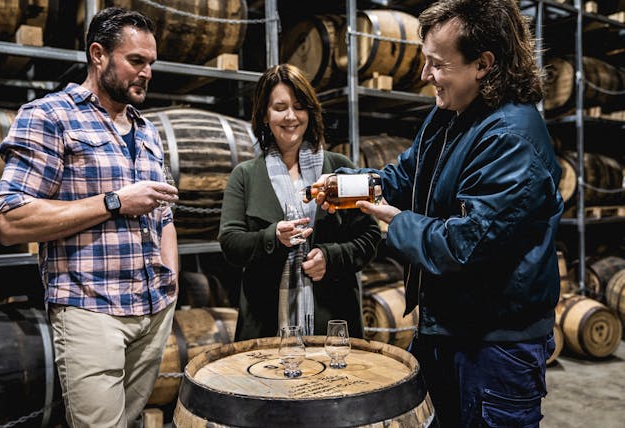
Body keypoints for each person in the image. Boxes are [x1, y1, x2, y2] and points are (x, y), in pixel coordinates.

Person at [312, 0, 563, 426]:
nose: (426, 75)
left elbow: (466, 243)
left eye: (437, 64)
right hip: (446, 328)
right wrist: (351, 187)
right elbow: (405, 174)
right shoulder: (449, 116)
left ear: (483, 64)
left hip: (495, 347)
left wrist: (395, 222)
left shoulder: (512, 137)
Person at [0, 7, 179, 427]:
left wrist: (173, 277)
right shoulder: (49, 116)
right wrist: (113, 201)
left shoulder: (146, 130)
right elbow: (10, 221)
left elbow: (163, 215)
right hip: (90, 312)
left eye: (151, 63)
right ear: (98, 54)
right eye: (136, 61)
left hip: (154, 308)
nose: (147, 73)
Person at [218, 63, 381, 341]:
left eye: (299, 106)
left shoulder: (338, 167)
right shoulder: (245, 175)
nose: (291, 116)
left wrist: (330, 257)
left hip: (333, 324)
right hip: (265, 326)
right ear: (265, 115)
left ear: (310, 112)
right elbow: (230, 243)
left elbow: (370, 236)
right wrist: (273, 237)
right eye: (280, 107)